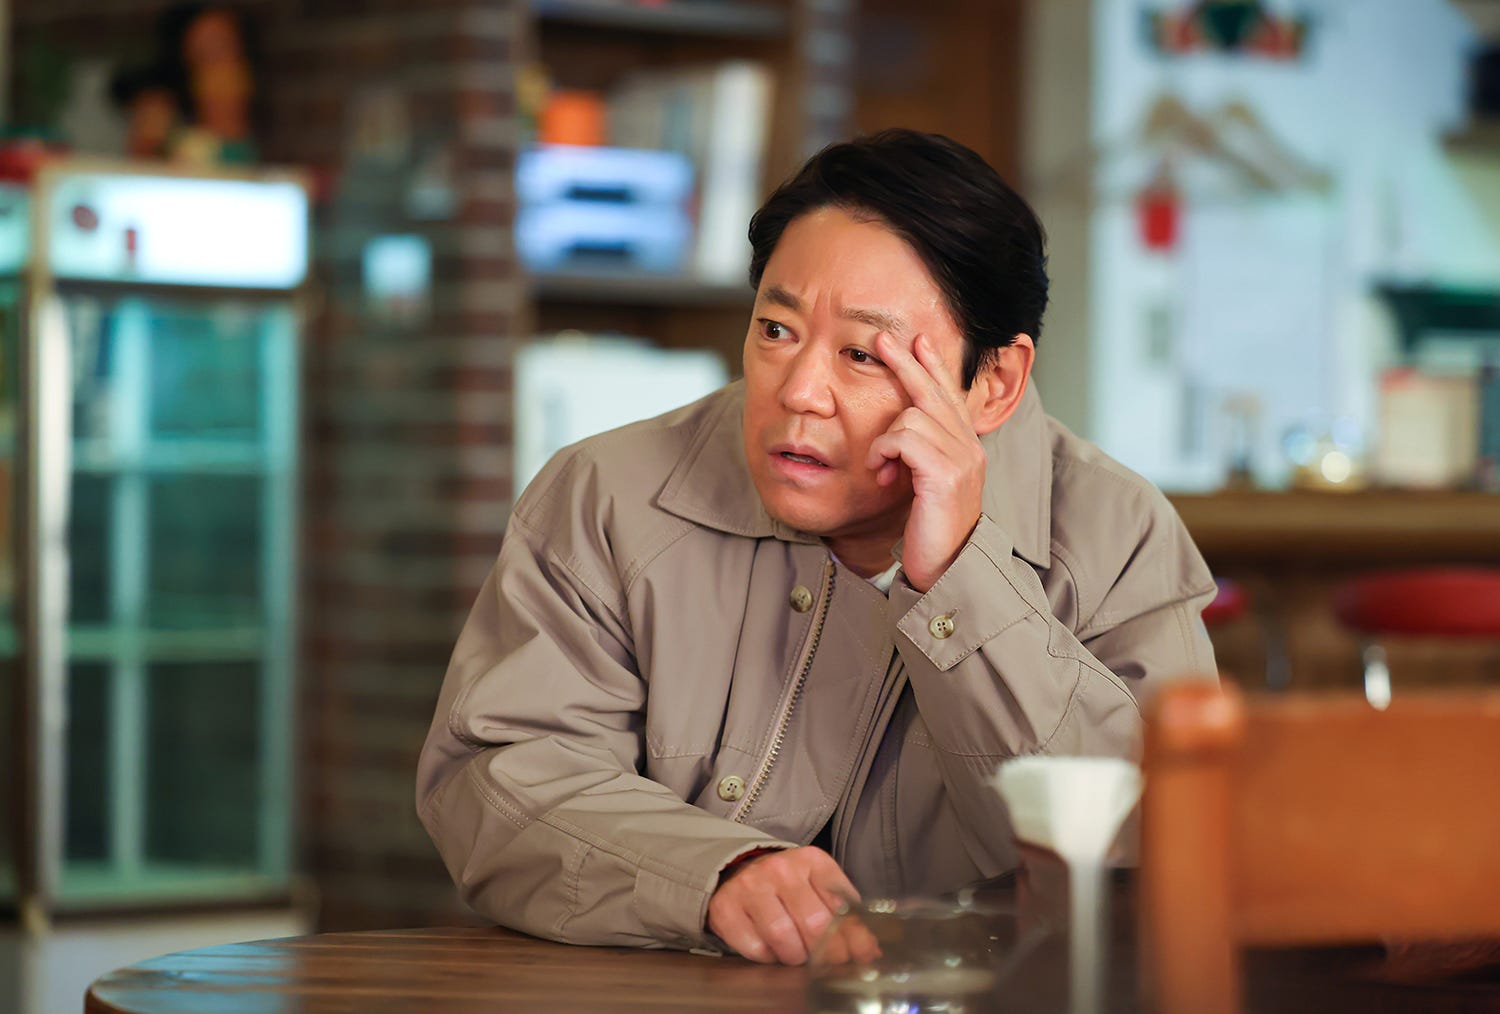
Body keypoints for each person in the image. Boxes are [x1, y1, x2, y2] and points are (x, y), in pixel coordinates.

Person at [416, 129, 1217, 965]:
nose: (799, 390)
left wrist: (961, 579)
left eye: (863, 354)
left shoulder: (1116, 534)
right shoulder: (607, 496)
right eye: (776, 330)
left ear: (993, 383)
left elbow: (1146, 849)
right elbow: (495, 778)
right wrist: (714, 874)